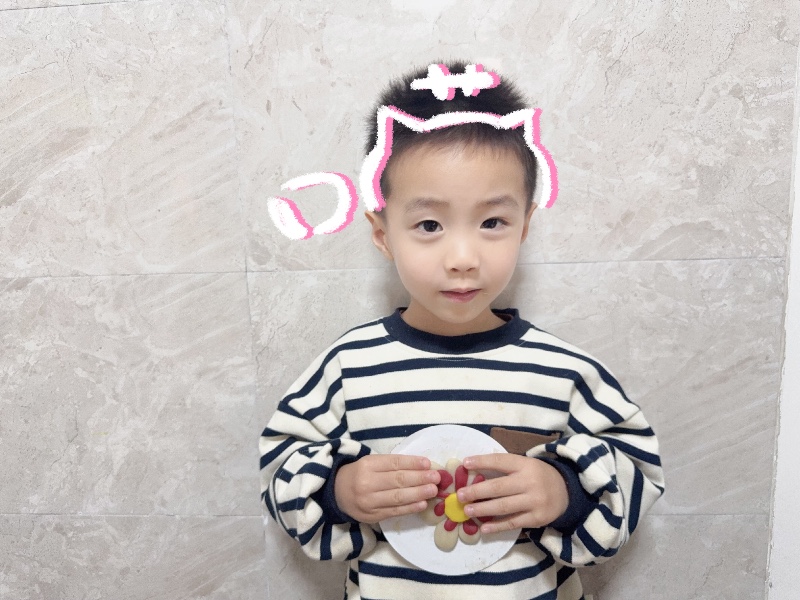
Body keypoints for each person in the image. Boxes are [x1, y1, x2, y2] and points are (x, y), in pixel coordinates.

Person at [259, 61, 665, 600]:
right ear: (383, 233)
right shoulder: (348, 367)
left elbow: (640, 471)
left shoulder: (564, 371)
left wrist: (564, 492)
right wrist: (339, 491)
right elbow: (279, 466)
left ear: (525, 225)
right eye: (429, 225)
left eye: (492, 222)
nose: (463, 258)